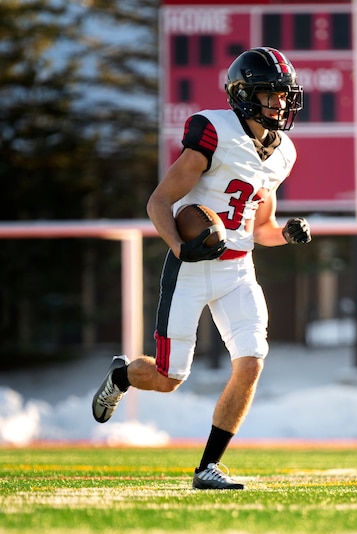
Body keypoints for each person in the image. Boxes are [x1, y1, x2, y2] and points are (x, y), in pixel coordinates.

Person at [92, 47, 311, 489]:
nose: (280, 104)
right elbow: (159, 202)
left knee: (251, 362)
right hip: (191, 270)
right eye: (270, 94)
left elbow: (261, 226)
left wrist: (285, 234)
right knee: (169, 378)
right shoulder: (214, 131)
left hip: (238, 271)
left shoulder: (282, 152)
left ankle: (207, 467)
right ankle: (120, 375)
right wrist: (179, 246)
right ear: (245, 94)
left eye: (284, 95)